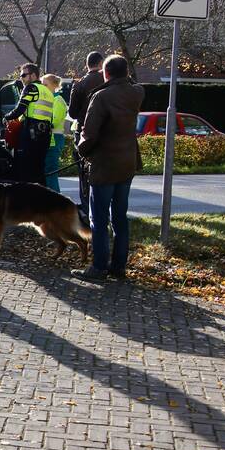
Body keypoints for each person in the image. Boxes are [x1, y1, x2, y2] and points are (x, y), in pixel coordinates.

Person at [72, 54, 144, 282]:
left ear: (106, 73)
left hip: (104, 164)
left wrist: (80, 150)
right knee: (120, 216)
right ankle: (118, 267)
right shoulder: (137, 93)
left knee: (99, 218)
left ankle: (99, 267)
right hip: (127, 161)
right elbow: (133, 84)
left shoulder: (102, 97)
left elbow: (90, 134)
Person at [2, 63, 55, 185]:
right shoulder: (47, 91)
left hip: (31, 134)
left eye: (23, 75)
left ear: (33, 75)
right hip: (45, 135)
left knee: (25, 171)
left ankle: (26, 201)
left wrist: (6, 117)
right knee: (39, 170)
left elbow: (20, 109)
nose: (21, 78)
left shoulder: (31, 88)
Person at [68, 52, 104, 216]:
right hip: (105, 132)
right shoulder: (108, 81)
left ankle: (88, 209)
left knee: (84, 172)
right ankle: (104, 210)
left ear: (87, 64)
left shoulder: (80, 83)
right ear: (101, 63)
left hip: (84, 132)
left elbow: (73, 113)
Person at [40, 74, 68, 192]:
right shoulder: (50, 99)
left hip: (54, 138)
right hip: (50, 138)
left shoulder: (58, 100)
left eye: (46, 85)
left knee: (50, 171)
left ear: (55, 85)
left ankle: (56, 200)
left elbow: (55, 120)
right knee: (48, 171)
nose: (43, 87)